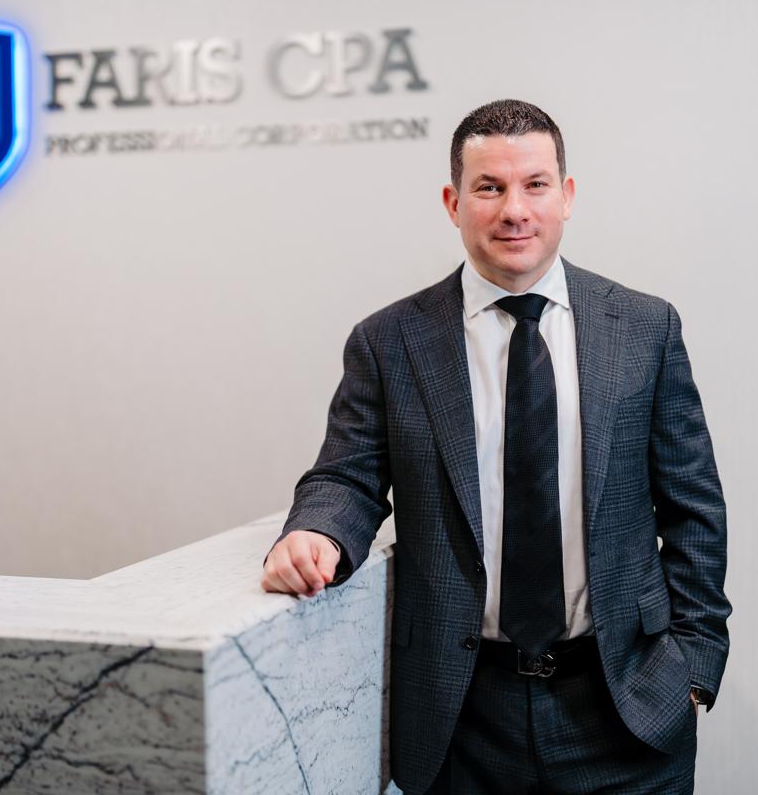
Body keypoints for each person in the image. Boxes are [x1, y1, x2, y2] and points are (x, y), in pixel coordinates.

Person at [260, 99, 730, 794]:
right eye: (490, 188)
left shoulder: (643, 329)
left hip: (624, 706)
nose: (515, 209)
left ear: (566, 196)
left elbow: (694, 508)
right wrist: (314, 532)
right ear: (453, 202)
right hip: (462, 715)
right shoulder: (390, 342)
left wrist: (693, 668)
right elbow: (348, 476)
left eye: (535, 184)